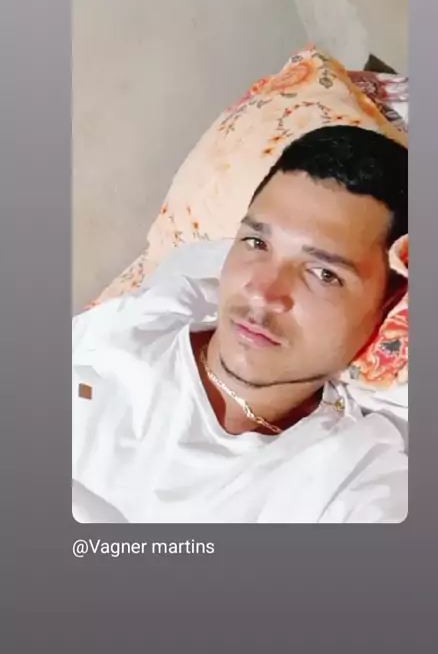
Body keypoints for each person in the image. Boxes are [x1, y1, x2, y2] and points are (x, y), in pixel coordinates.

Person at [72, 125, 408, 524]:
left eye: (323, 273)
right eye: (257, 243)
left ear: (390, 301)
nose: (263, 293)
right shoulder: (130, 328)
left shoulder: (351, 480)